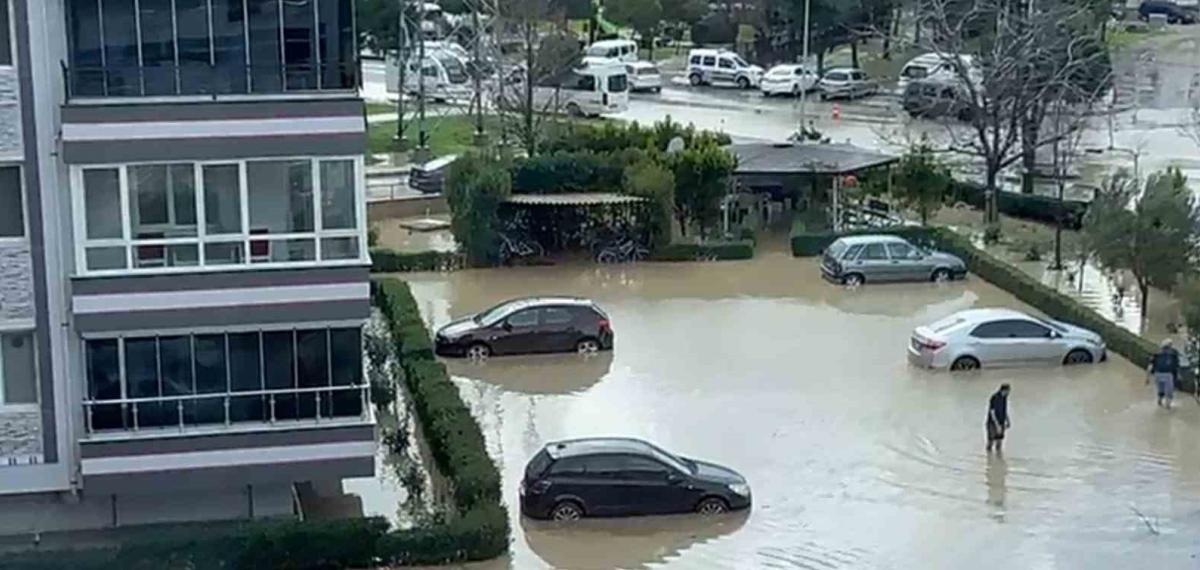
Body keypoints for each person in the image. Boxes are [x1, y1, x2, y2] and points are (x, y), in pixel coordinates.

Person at [1146, 338, 1180, 409]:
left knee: (1160, 391)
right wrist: (1177, 376)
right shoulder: (1174, 354)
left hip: (1157, 374)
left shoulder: (1156, 354)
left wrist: (1147, 378)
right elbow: (1177, 366)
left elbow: (1150, 366)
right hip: (1168, 375)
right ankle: (1167, 407)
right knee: (1169, 393)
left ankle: (1160, 402)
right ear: (1170, 345)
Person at [986, 384, 1011, 454]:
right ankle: (988, 457)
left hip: (1001, 421)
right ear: (1004, 390)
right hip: (992, 423)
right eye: (1008, 391)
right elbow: (992, 412)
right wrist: (997, 425)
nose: (1008, 393)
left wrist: (1008, 420)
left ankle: (998, 458)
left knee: (999, 441)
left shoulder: (1004, 398)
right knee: (991, 441)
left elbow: (1004, 410)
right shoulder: (994, 397)